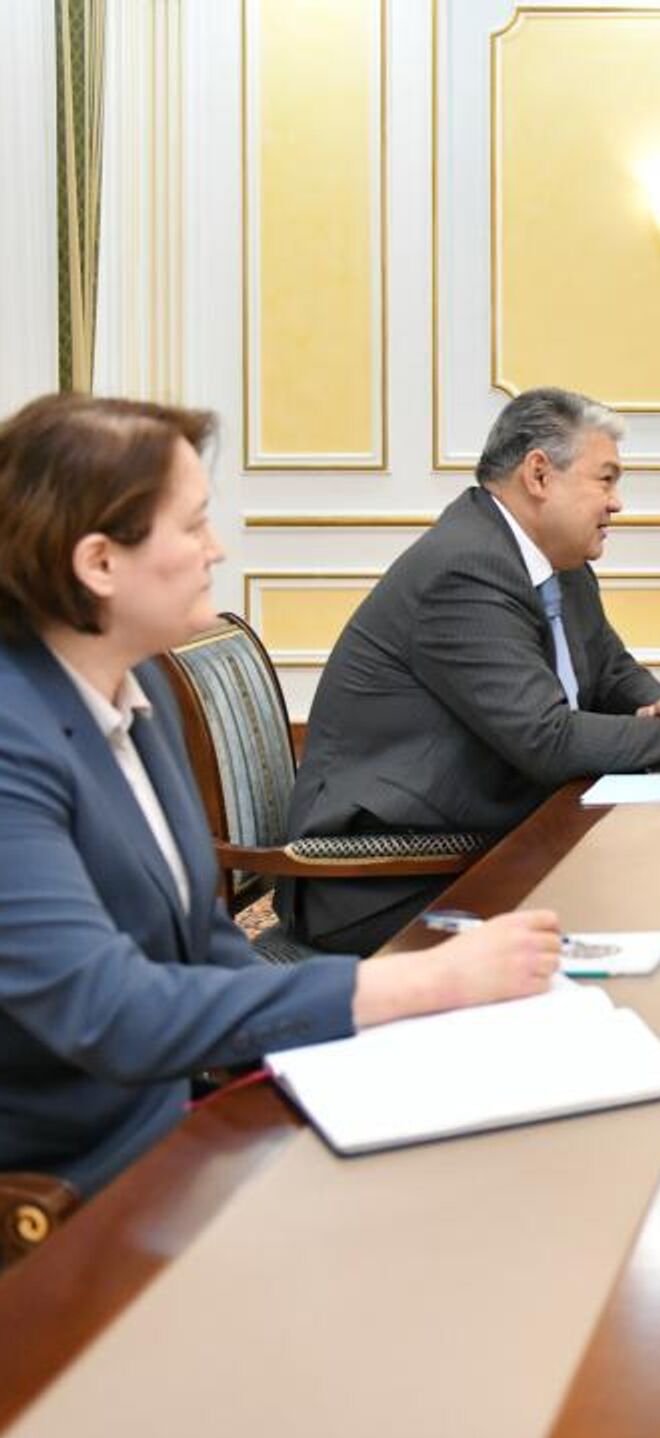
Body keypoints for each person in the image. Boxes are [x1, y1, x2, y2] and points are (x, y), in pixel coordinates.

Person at [0, 394, 562, 1199]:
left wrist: (363, 1052)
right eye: (193, 525)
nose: (217, 548)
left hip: (177, 1125)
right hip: (66, 1187)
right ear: (99, 564)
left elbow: (204, 940)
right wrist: (418, 984)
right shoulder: (12, 740)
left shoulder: (135, 683)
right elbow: (111, 1013)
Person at [279, 387, 660, 955]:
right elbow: (547, 739)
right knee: (658, 910)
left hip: (479, 839)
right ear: (539, 475)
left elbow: (610, 670)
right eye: (606, 480)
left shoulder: (556, 560)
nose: (617, 503)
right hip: (384, 878)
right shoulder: (465, 569)